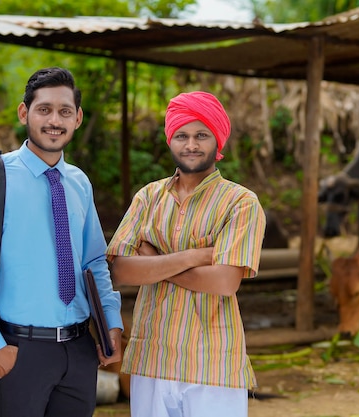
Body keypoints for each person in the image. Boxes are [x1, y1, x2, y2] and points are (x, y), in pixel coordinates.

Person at [0, 67, 123, 417]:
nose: (55, 120)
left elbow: (94, 262)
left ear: (78, 118)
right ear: (25, 113)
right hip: (19, 350)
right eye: (45, 109)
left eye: (65, 111)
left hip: (79, 349)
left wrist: (109, 324)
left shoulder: (79, 182)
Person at [105, 91, 266, 417]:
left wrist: (153, 262)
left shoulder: (241, 202)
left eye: (201, 135)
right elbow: (120, 271)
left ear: (217, 141)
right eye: (182, 135)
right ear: (170, 140)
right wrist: (195, 256)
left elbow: (224, 282)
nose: (191, 144)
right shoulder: (148, 197)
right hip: (152, 357)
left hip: (214, 361)